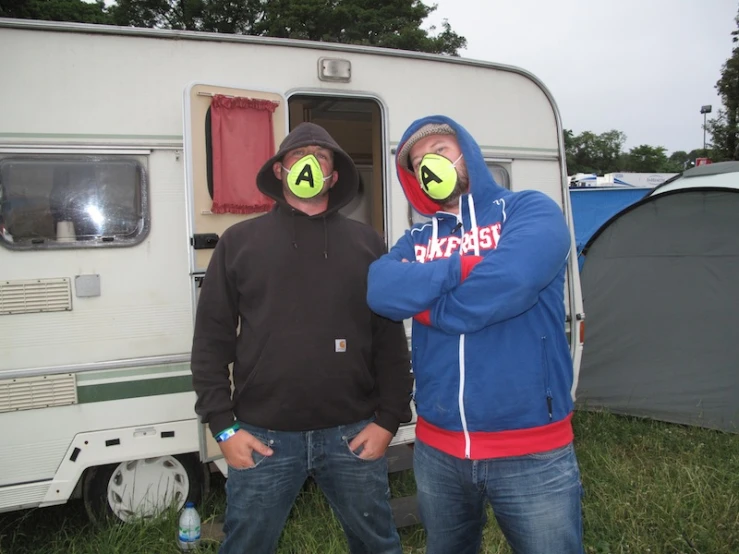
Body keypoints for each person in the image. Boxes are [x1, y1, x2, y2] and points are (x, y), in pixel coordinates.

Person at [191, 122, 413, 554]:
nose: (309, 165)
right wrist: (223, 427)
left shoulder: (368, 244)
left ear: (333, 176)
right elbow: (211, 341)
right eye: (298, 157)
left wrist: (389, 420)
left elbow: (389, 340)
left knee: (378, 546)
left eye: (322, 158)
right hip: (262, 437)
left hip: (353, 433)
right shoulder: (239, 243)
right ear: (280, 170)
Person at [366, 116, 584, 554]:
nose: (431, 164)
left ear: (469, 153)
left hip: (530, 450)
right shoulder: (416, 238)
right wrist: (461, 267)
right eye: (419, 161)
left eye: (441, 150)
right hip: (438, 450)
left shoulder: (530, 209)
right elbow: (380, 289)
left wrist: (427, 309)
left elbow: (513, 283)